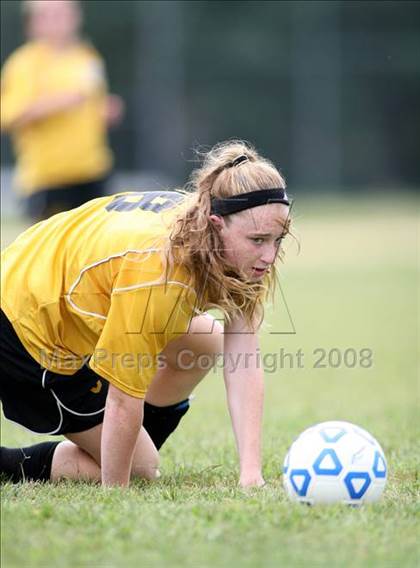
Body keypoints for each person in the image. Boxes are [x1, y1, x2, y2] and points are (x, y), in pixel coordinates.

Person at [0, 140, 291, 488]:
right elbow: (124, 397)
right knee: (141, 469)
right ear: (216, 225)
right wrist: (116, 493)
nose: (269, 256)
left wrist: (251, 475)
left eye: (278, 239)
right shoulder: (159, 271)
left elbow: (243, 355)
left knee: (205, 341)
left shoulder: (235, 243)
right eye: (258, 240)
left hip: (42, 275)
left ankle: (124, 442)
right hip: (26, 323)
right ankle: (8, 463)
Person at [0, 0, 124, 222]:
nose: (59, 20)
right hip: (48, 178)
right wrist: (60, 101)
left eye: (65, 13)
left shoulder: (87, 57)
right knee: (51, 253)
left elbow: (92, 104)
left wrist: (105, 110)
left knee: (95, 252)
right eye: (50, 14)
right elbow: (9, 116)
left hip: (92, 171)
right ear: (33, 23)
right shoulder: (24, 63)